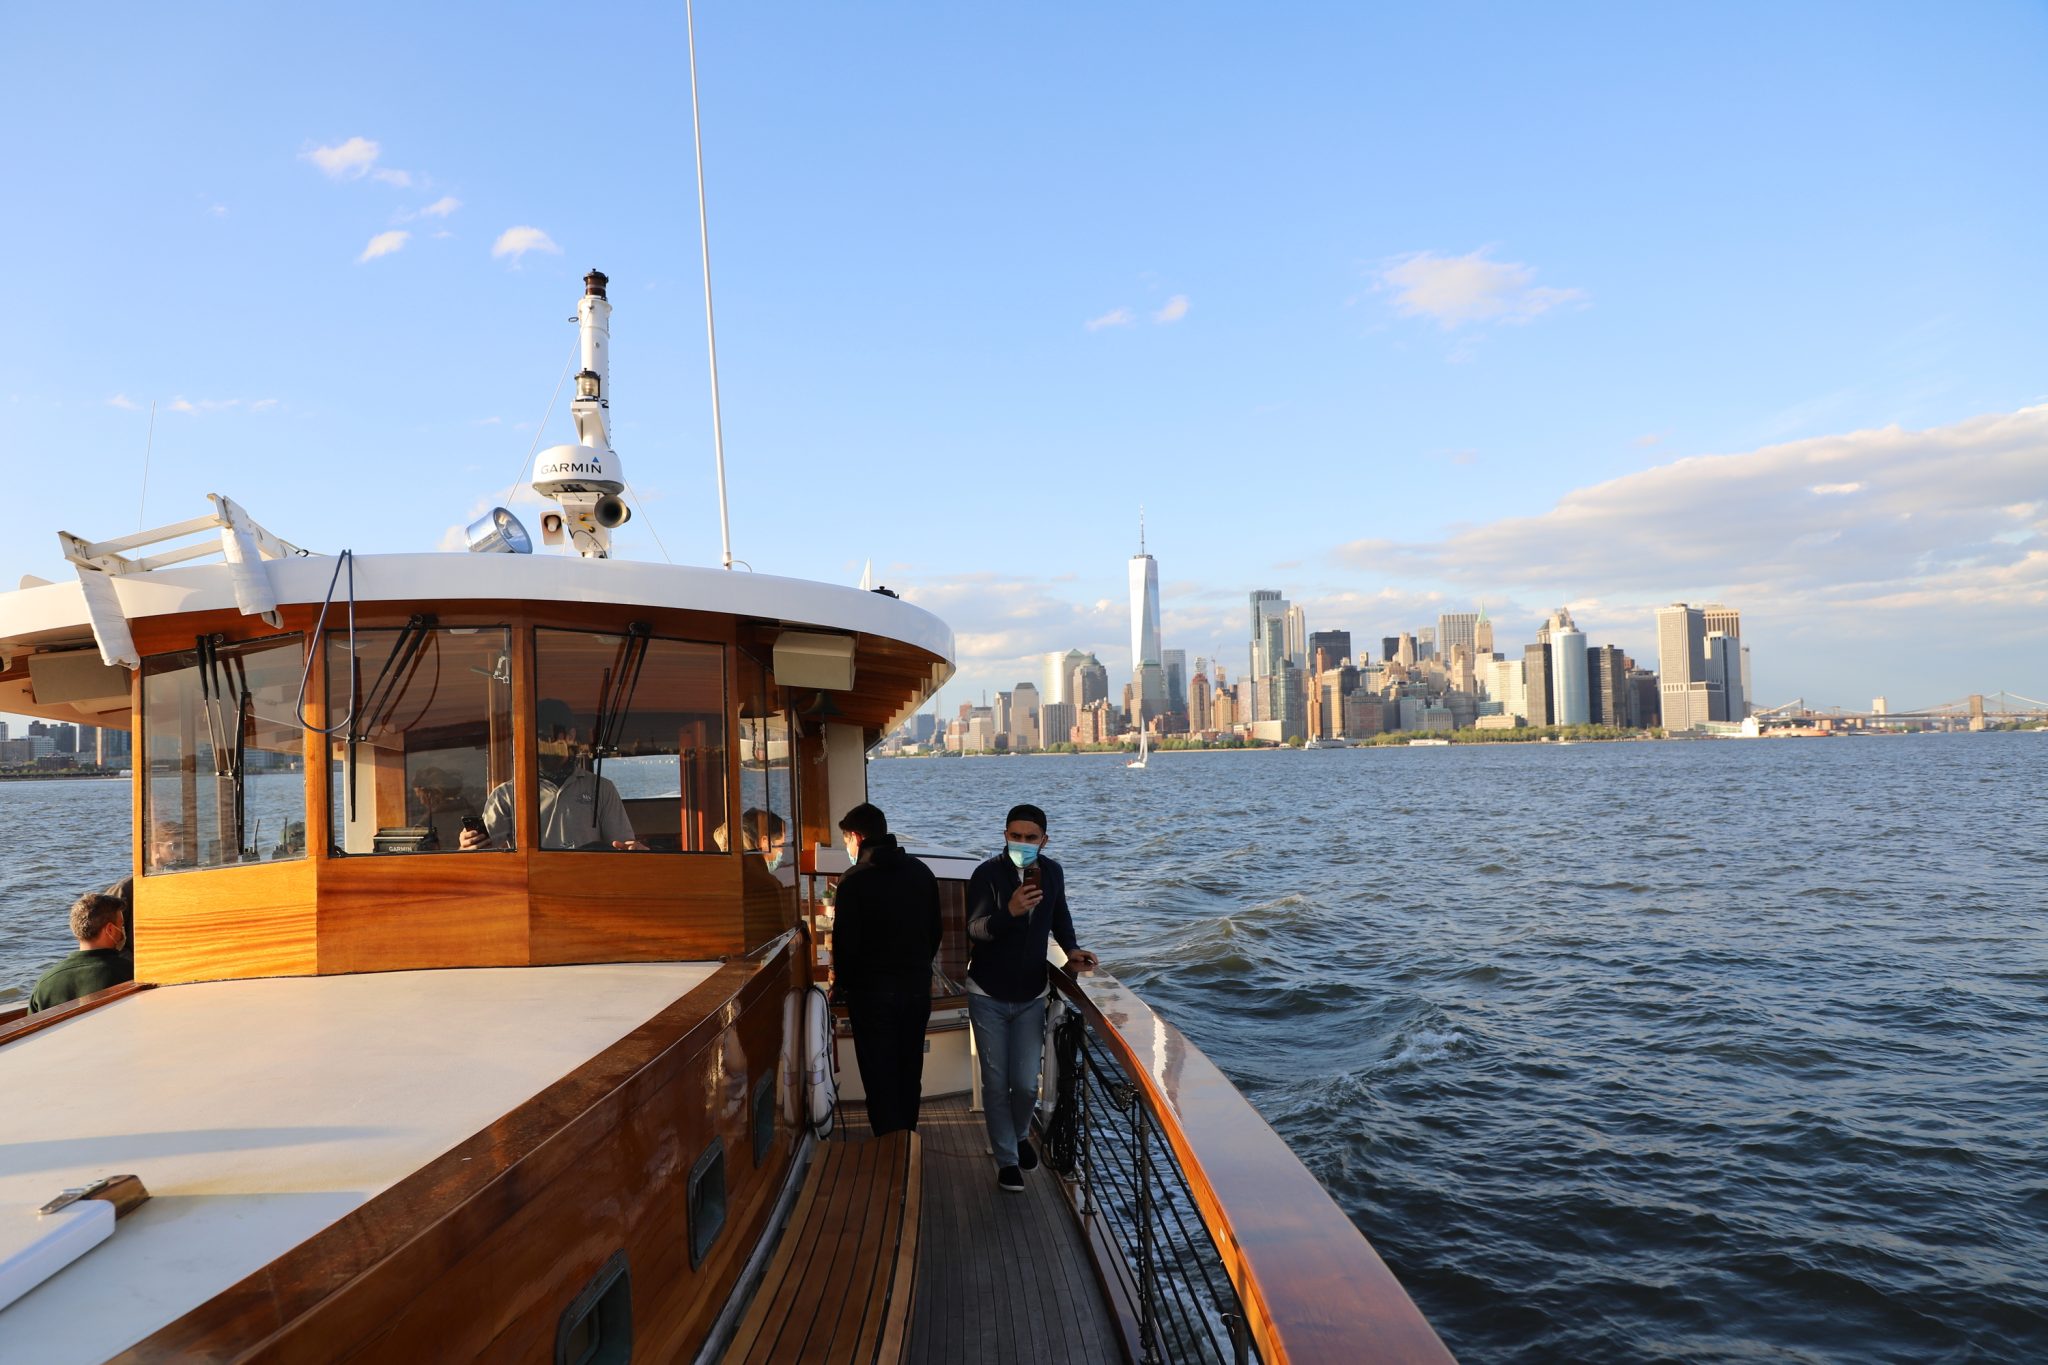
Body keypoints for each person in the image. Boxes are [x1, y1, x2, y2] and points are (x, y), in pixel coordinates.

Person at [965, 802, 1098, 1193]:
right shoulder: (986, 874)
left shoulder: (1052, 872)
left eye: (1030, 838)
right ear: (1005, 835)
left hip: (1030, 993)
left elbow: (1060, 915)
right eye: (1015, 836)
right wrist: (1009, 912)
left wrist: (1071, 948)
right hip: (987, 993)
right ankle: (1006, 1159)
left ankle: (1021, 1134)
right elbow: (976, 930)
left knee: (1025, 1083)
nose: (1022, 843)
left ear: (1044, 839)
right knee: (995, 1081)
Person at [830, 802, 941, 1135]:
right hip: (916, 989)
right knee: (909, 1070)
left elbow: (845, 946)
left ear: (858, 837)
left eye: (847, 840)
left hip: (872, 995)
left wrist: (842, 986)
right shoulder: (921, 872)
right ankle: (907, 1137)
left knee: (880, 1076)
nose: (847, 847)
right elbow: (935, 933)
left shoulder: (853, 881)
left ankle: (890, 1149)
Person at [463, 699, 644, 851]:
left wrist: (633, 849)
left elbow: (623, 847)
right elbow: (479, 854)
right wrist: (469, 843)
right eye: (535, 736)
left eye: (548, 736)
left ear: (571, 736)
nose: (541, 743)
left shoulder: (602, 789)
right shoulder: (506, 795)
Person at [28, 891, 135, 1014]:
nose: (123, 930)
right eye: (121, 925)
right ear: (110, 929)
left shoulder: (44, 984)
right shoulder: (130, 972)